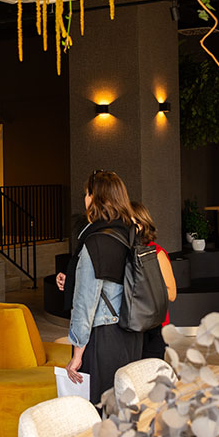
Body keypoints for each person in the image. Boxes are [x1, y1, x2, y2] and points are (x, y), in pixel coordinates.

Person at [63, 170, 144, 406]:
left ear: (96, 199)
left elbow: (85, 302)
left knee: (100, 407)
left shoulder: (96, 241)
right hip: (131, 330)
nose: (85, 199)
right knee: (124, 402)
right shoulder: (130, 232)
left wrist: (77, 353)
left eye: (88, 194)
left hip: (104, 336)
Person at [129, 201, 178, 360]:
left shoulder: (157, 253)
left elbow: (171, 294)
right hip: (131, 325)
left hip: (154, 326)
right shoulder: (125, 253)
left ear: (141, 225)